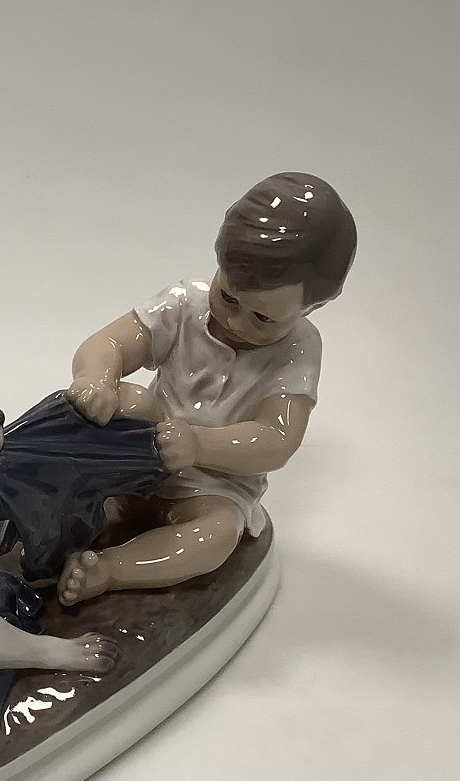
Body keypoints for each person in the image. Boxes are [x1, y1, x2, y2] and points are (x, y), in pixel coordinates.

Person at [59, 172, 357, 605]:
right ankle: (69, 514)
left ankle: (111, 569)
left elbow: (277, 438)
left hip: (214, 486)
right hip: (142, 454)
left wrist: (199, 445)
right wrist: (96, 379)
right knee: (131, 401)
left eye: (262, 318)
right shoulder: (184, 303)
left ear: (314, 306)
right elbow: (109, 343)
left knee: (215, 536)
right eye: (229, 297)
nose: (235, 321)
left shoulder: (299, 349)